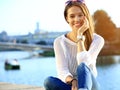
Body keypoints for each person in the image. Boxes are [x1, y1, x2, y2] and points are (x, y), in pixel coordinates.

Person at [44, 0, 104, 90]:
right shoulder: (59, 42)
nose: (76, 19)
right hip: (72, 86)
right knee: (48, 81)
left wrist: (80, 36)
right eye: (72, 16)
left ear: (86, 16)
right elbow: (62, 71)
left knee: (82, 66)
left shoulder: (97, 40)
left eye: (80, 15)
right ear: (67, 19)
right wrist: (73, 81)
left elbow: (83, 64)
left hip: (91, 86)